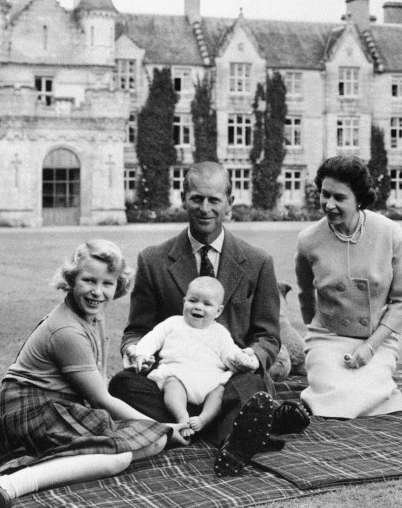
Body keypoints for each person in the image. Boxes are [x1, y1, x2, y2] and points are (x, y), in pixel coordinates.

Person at [0, 240, 187, 508]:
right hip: (28, 408)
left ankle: (39, 461)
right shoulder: (67, 331)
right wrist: (164, 427)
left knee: (150, 442)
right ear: (71, 280)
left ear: (118, 286)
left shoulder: (93, 314)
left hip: (56, 406)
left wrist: (154, 431)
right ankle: (7, 484)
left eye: (107, 283)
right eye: (88, 281)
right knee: (121, 454)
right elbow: (101, 401)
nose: (98, 292)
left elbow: (100, 384)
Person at [108, 161, 310, 476]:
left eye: (214, 200)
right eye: (197, 198)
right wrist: (135, 353)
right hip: (172, 385)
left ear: (229, 203)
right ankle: (239, 428)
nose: (205, 208)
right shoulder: (154, 260)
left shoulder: (257, 262)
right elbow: (137, 330)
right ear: (183, 198)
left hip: (228, 382)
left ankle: (202, 431)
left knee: (252, 385)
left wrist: (251, 358)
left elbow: (268, 337)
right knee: (122, 385)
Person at [295, 155, 402, 418]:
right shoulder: (308, 240)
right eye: (324, 195)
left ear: (359, 199)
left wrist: (371, 346)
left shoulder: (390, 233)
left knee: (369, 394)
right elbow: (305, 296)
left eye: (339, 198)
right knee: (333, 394)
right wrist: (321, 338)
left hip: (377, 339)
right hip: (327, 336)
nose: (329, 205)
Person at [130, 277, 258, 438]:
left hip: (209, 379)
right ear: (184, 301)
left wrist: (242, 358)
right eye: (193, 300)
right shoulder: (173, 323)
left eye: (207, 304)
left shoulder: (220, 332)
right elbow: (153, 338)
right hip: (178, 373)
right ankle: (182, 418)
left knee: (219, 391)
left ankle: (204, 419)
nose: (198, 307)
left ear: (218, 311)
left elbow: (229, 353)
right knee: (172, 385)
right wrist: (142, 353)